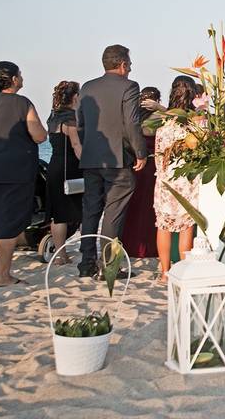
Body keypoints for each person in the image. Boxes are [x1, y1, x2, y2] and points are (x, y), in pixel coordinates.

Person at [0, 62, 48, 285]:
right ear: (13, 79)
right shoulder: (22, 103)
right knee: (8, 221)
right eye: (20, 75)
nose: (22, 78)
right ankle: (3, 275)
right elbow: (38, 135)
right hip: (15, 170)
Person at [76, 45, 148, 278]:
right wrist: (140, 152)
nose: (130, 68)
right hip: (118, 159)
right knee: (113, 212)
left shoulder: (87, 87)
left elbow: (81, 124)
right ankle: (109, 266)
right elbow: (132, 123)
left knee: (90, 211)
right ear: (123, 64)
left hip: (91, 157)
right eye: (129, 63)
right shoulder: (129, 86)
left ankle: (86, 263)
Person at [152, 77, 198, 284]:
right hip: (186, 179)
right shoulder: (194, 123)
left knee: (163, 226)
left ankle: (164, 272)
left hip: (165, 178)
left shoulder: (164, 123)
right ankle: (183, 271)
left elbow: (158, 154)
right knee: (185, 227)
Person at [120, 86, 162, 259]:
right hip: (153, 165)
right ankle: (150, 247)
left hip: (136, 165)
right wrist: (161, 109)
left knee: (134, 206)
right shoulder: (160, 117)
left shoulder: (132, 118)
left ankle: (130, 245)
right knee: (150, 207)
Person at [45, 82, 84, 265]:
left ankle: (61, 255)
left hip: (54, 165)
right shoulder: (71, 119)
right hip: (71, 167)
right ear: (75, 97)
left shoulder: (53, 118)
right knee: (83, 210)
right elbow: (76, 146)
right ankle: (85, 249)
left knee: (58, 213)